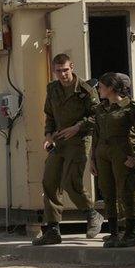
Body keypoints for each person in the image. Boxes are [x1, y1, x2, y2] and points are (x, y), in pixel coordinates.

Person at [33, 53, 104, 246]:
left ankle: (92, 214)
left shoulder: (85, 90)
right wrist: (48, 135)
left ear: (72, 67)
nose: (63, 74)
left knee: (70, 182)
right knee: (50, 181)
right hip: (59, 140)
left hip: (79, 140)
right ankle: (53, 229)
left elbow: (97, 117)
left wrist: (77, 128)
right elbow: (49, 114)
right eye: (58, 71)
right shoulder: (53, 89)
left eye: (65, 70)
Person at [90, 72, 135, 248]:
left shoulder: (130, 108)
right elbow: (96, 135)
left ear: (111, 88)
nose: (98, 90)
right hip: (103, 154)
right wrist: (92, 159)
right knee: (108, 192)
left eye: (101, 86)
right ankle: (114, 232)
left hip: (122, 152)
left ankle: (130, 233)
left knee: (126, 192)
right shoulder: (100, 109)